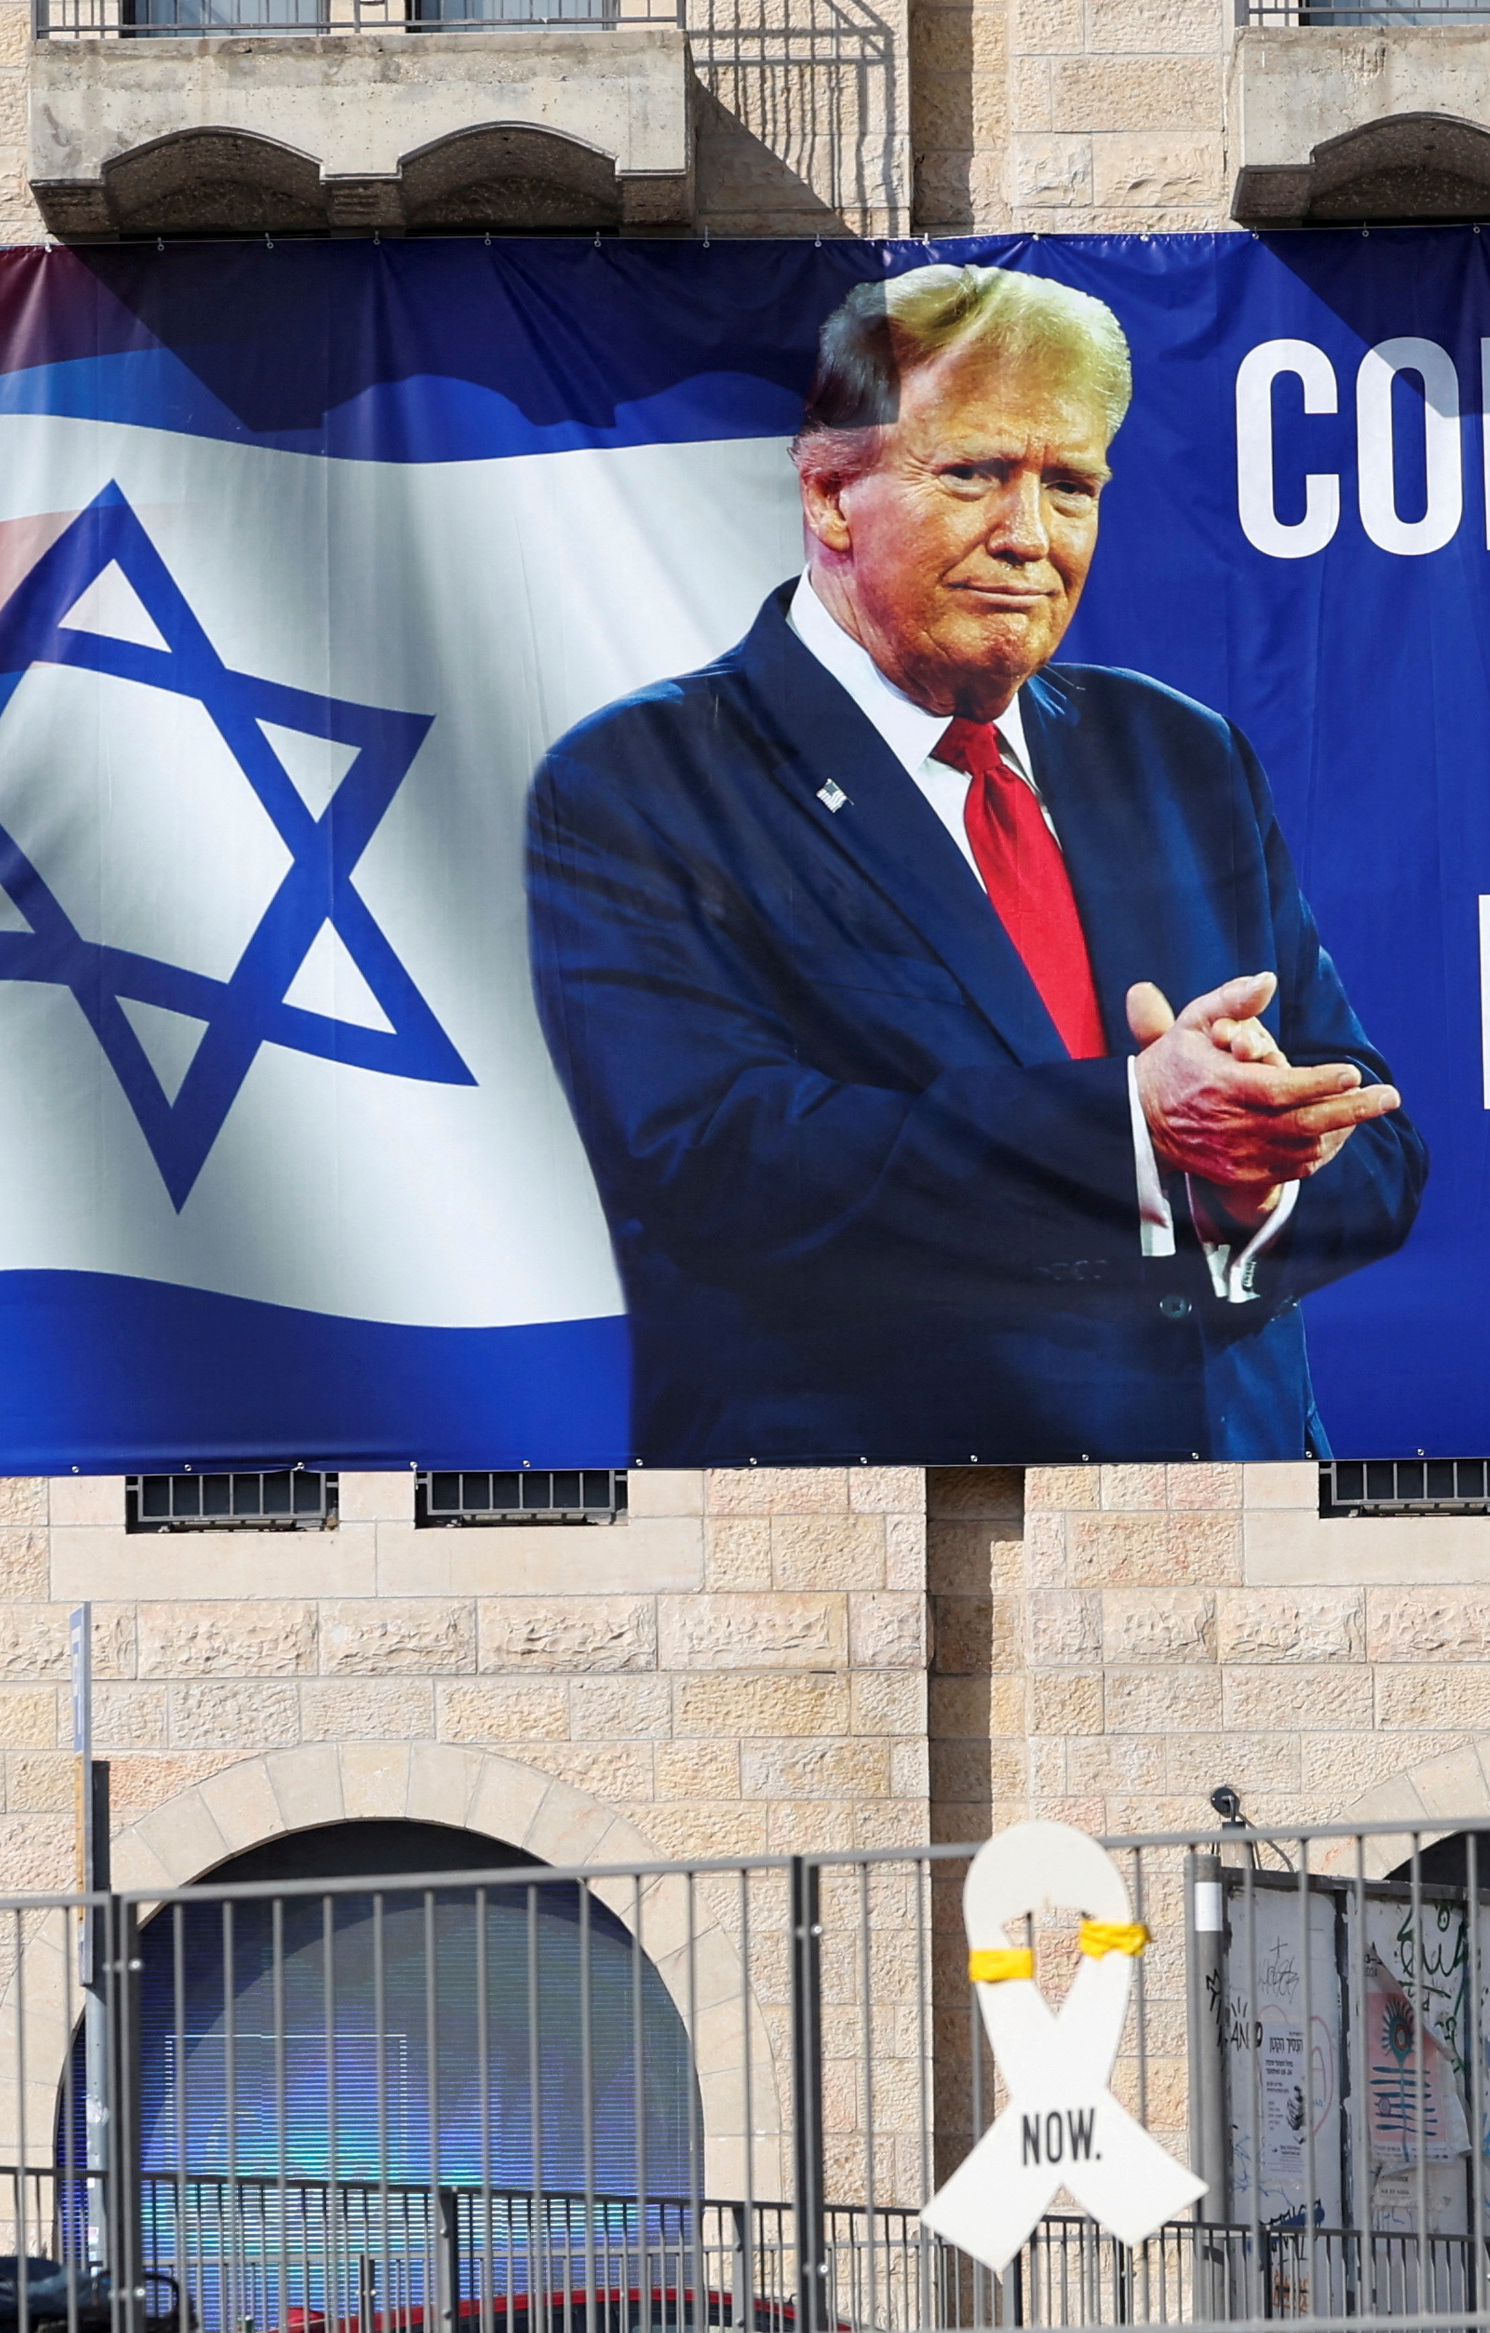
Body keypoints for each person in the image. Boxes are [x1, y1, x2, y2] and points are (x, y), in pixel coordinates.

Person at [527, 266, 1431, 1467]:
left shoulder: (1179, 752)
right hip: (879, 1551)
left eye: (1070, 487)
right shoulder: (644, 780)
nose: (1029, 536)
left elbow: (1371, 1140)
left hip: (1236, 1539)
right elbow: (724, 1165)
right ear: (830, 493)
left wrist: (1250, 1172)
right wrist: (1135, 1125)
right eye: (974, 474)